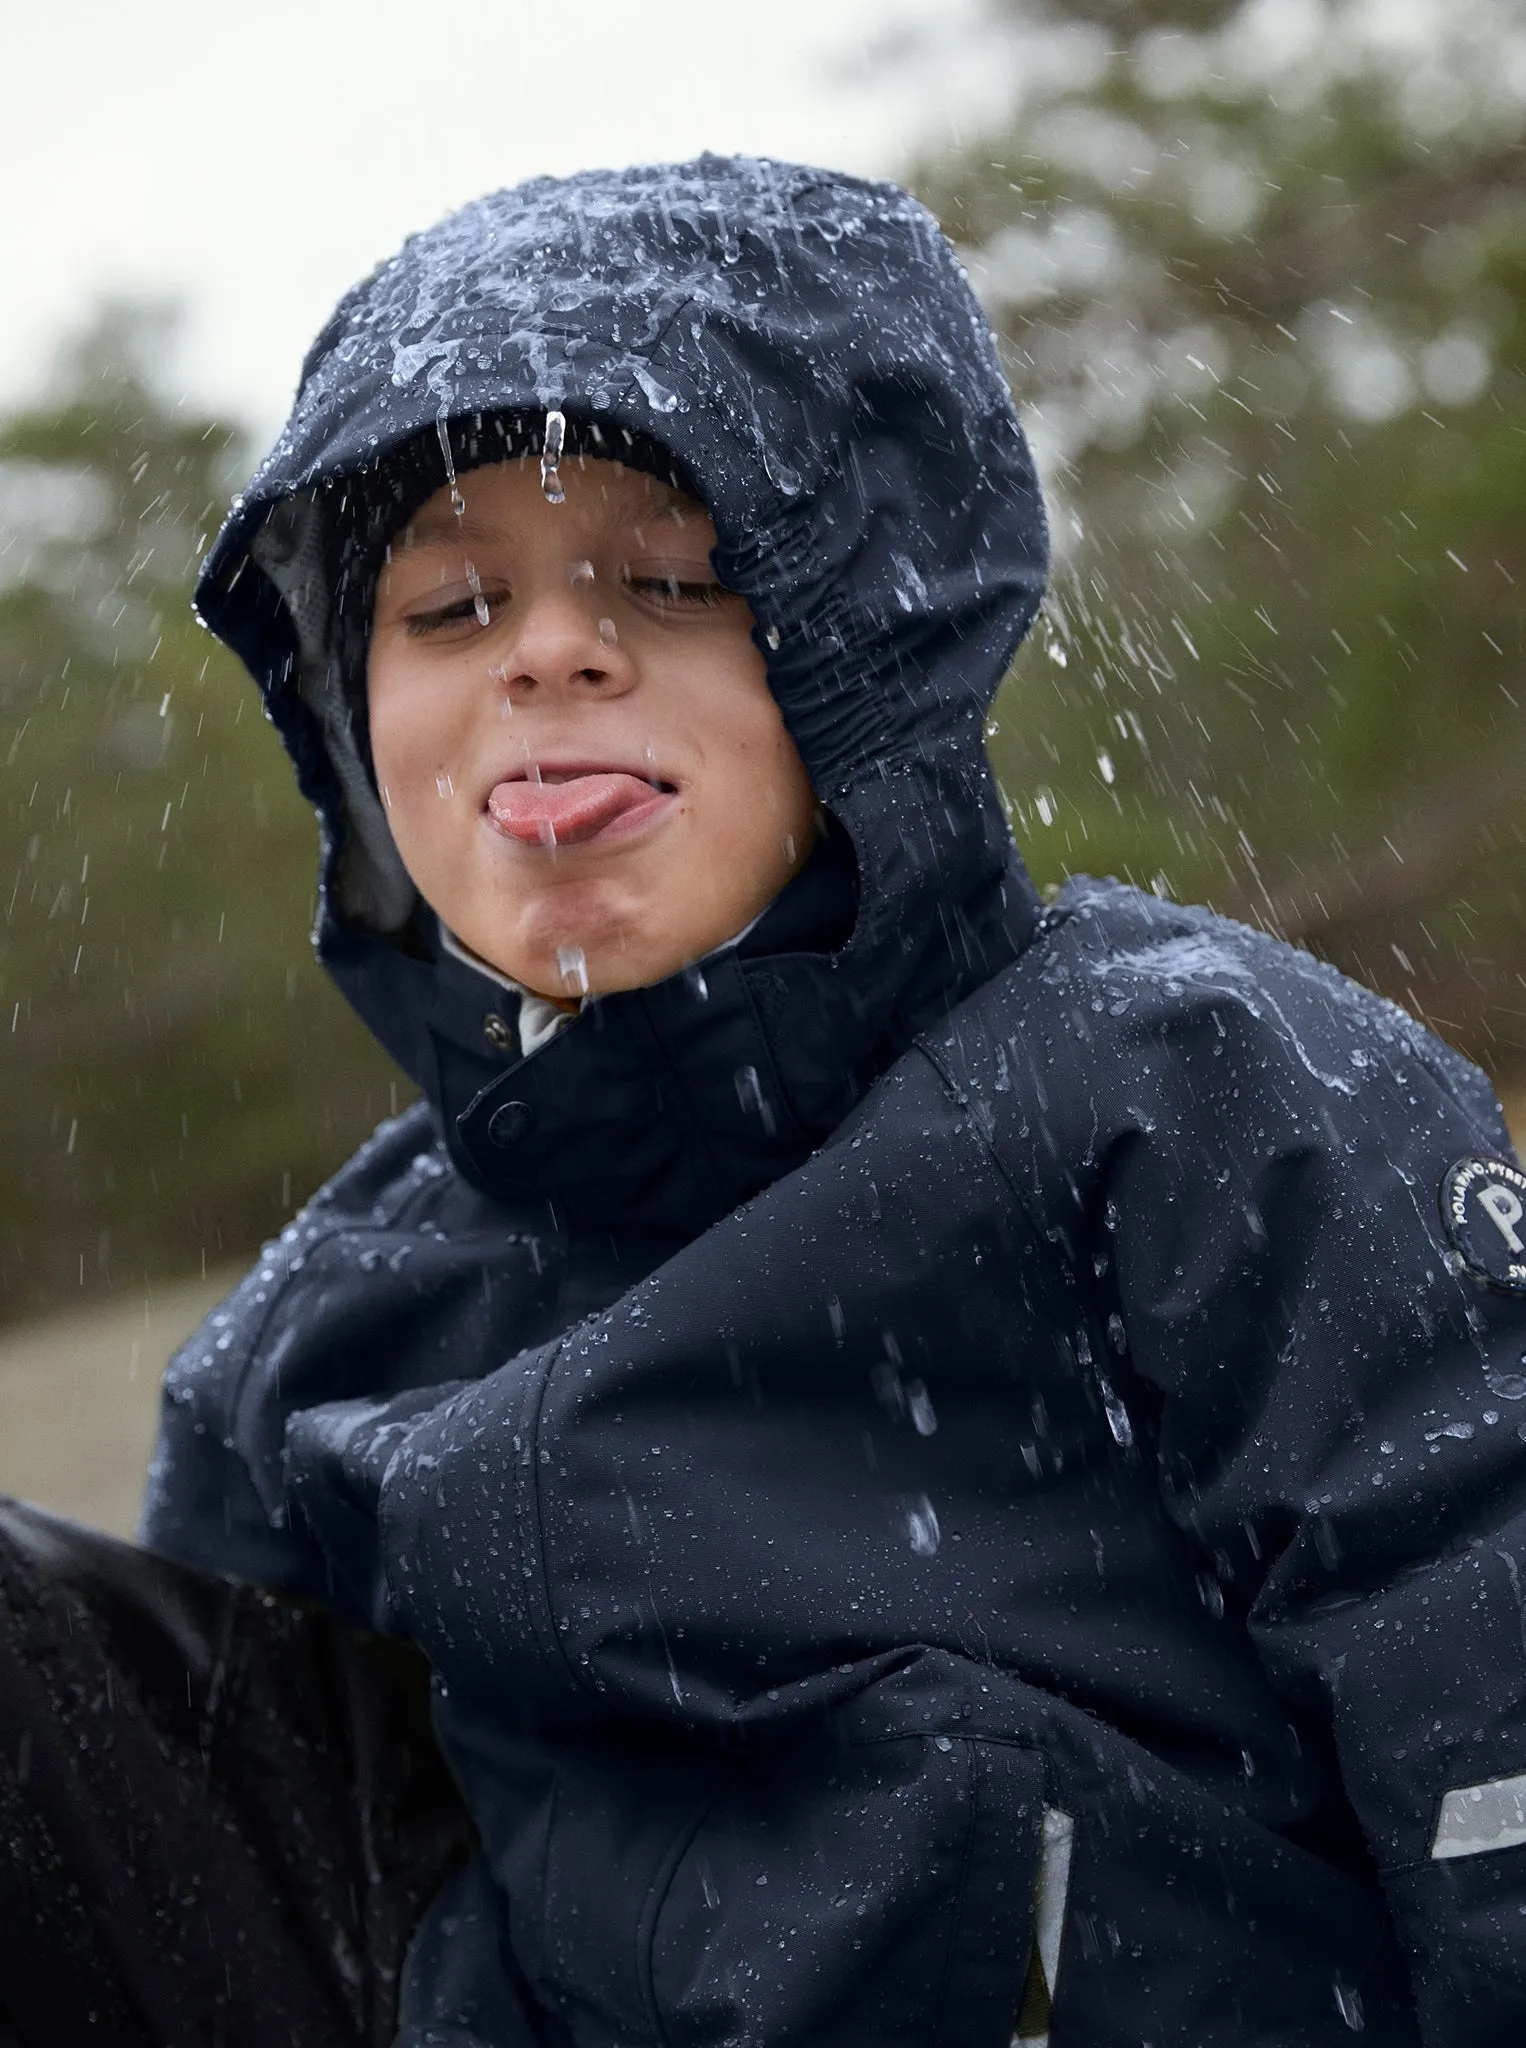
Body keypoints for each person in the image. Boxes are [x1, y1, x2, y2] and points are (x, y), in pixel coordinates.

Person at [1, 155, 1523, 2048]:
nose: (549, 649)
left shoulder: (1193, 1096)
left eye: (670, 575)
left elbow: (1482, 1682)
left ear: (864, 643)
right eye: (452, 604)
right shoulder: (320, 1341)